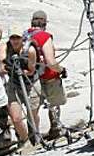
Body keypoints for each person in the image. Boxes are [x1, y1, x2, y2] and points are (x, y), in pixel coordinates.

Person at [26, 11, 68, 140]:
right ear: (44, 22)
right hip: (48, 76)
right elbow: (51, 62)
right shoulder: (44, 36)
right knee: (54, 103)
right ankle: (55, 128)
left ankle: (33, 134)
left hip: (31, 77)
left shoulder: (25, 36)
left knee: (33, 107)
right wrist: (61, 70)